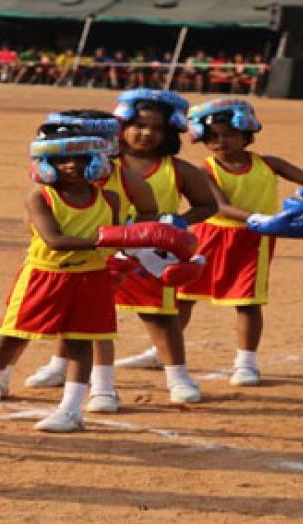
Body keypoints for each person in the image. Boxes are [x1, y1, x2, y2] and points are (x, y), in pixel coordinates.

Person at [0, 127, 199, 432]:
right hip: (45, 274)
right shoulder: (40, 197)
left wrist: (148, 258)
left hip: (91, 277)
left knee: (80, 343)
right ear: (46, 164)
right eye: (62, 160)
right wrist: (113, 238)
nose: (72, 165)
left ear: (96, 161)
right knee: (11, 337)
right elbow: (55, 240)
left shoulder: (112, 199)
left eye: (81, 158)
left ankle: (70, 410)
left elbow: (120, 243)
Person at [30, 92, 220, 410]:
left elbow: (206, 204)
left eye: (156, 128)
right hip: (102, 249)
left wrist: (176, 224)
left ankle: (178, 377)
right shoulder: (85, 167)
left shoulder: (175, 169)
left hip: (150, 251)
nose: (146, 133)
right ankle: (73, 372)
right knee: (88, 317)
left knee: (160, 316)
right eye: (138, 126)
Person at [178, 98, 303, 386]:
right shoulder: (204, 170)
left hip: (252, 242)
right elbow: (220, 206)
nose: (220, 142)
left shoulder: (270, 163)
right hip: (209, 237)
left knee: (248, 302)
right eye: (212, 136)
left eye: (228, 134)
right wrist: (261, 219)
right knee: (183, 296)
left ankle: (246, 363)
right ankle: (163, 350)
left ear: (246, 133)